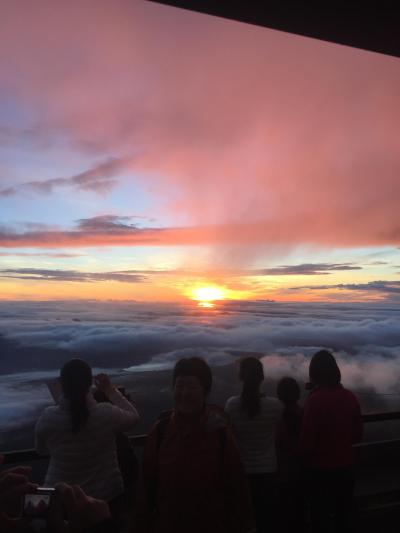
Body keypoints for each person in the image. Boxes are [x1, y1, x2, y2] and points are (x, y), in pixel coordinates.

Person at [134, 357, 254, 533]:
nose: (184, 393)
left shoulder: (220, 435)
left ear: (205, 391)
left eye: (192, 387)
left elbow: (236, 491)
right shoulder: (160, 433)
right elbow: (146, 489)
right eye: (179, 386)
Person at [35, 359, 139, 515]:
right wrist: (109, 389)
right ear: (90, 383)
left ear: (62, 384)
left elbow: (41, 450)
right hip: (106, 498)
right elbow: (134, 417)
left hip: (61, 499)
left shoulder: (48, 417)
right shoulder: (106, 414)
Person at [300, 350, 363, 533]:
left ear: (314, 374)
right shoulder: (350, 397)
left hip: (320, 471)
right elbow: (357, 435)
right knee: (343, 516)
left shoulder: (314, 401)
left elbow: (306, 443)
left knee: (320, 517)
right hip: (346, 468)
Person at [225, 357, 282, 533]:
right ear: (262, 377)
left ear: (241, 377)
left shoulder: (231, 405)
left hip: (242, 475)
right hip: (268, 474)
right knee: (267, 521)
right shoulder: (275, 406)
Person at [275, 377, 306, 533]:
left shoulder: (276, 418)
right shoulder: (305, 415)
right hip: (303, 472)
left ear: (279, 395)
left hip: (282, 474)